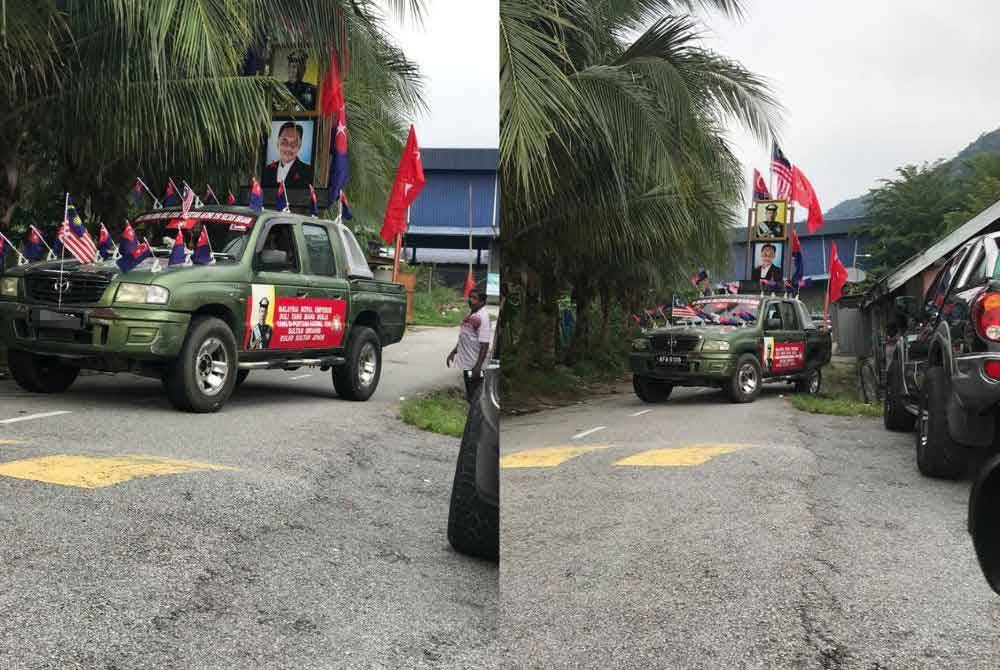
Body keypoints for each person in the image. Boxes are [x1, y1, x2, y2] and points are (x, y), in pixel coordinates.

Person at [447, 287, 492, 402]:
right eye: (470, 297)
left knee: (475, 395)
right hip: (468, 363)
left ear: (482, 301)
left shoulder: (483, 317)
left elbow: (485, 344)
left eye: (474, 298)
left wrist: (478, 367)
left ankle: (476, 412)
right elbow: (465, 336)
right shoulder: (473, 314)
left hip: (475, 365)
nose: (470, 300)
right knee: (471, 394)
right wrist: (454, 352)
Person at [262, 121, 314, 188]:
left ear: (299, 146)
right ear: (278, 143)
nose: (288, 147)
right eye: (285, 141)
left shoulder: (308, 172)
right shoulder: (267, 170)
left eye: (294, 143)